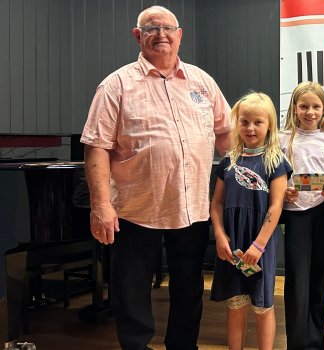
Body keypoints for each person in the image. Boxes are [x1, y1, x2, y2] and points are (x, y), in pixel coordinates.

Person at [80, 5, 232, 350]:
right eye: (152, 28)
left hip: (191, 208)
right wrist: (101, 205)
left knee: (189, 287)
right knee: (131, 289)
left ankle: (183, 346)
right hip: (136, 210)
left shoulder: (202, 82)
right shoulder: (116, 85)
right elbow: (96, 148)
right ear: (138, 35)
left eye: (168, 28)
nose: (161, 35)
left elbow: (226, 135)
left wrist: (252, 169)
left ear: (180, 35)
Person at [209, 92, 292, 350]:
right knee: (236, 305)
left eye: (258, 122)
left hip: (261, 244)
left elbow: (276, 206)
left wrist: (259, 245)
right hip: (232, 242)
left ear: (269, 125)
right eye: (244, 121)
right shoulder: (228, 161)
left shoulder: (276, 161)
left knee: (263, 306)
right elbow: (217, 203)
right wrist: (221, 237)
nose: (250, 128)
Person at [280, 81, 324, 350]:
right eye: (304, 106)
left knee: (319, 279)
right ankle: (296, 343)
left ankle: (316, 343)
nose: (309, 112)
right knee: (297, 280)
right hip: (295, 216)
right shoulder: (281, 138)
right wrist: (284, 191)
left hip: (321, 215)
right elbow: (275, 178)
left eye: (315, 107)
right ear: (295, 108)